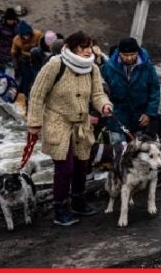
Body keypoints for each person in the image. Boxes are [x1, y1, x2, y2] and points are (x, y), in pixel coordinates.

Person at [26, 31, 113, 226]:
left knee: (82, 165)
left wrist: (104, 106)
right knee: (65, 168)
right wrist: (33, 123)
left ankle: (78, 201)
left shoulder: (92, 68)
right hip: (58, 122)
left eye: (90, 46)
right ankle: (60, 209)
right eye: (83, 47)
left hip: (82, 124)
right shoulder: (55, 65)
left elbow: (98, 94)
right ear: (73, 47)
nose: (88, 51)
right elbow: (37, 94)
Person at [100, 37, 161, 145]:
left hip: (140, 117)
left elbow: (154, 91)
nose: (129, 58)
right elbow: (100, 91)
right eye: (125, 55)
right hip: (116, 117)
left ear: (137, 52)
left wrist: (149, 113)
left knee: (140, 150)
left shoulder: (147, 67)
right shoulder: (108, 67)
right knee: (118, 150)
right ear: (119, 53)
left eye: (132, 55)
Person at [11, 20, 44, 100]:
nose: (27, 37)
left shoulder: (38, 35)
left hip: (37, 59)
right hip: (24, 60)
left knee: (37, 78)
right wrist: (16, 66)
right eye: (24, 35)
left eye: (28, 35)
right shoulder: (16, 40)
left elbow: (43, 46)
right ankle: (23, 96)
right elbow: (14, 53)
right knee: (26, 78)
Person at [0, 8, 19, 72]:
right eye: (9, 20)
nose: (11, 22)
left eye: (12, 20)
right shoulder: (0, 24)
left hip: (14, 48)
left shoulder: (17, 24)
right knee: (9, 66)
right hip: (4, 48)